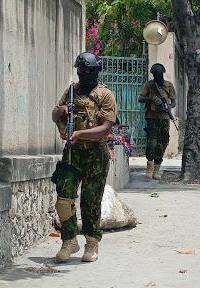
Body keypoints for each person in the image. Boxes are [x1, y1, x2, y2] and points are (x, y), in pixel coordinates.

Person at [51, 52, 116, 263]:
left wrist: (79, 134)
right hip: (73, 153)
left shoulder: (105, 95)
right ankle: (69, 240)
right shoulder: (71, 91)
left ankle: (91, 242)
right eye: (81, 70)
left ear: (96, 71)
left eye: (88, 71)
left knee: (90, 201)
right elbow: (54, 115)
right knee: (64, 197)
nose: (84, 74)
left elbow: (105, 129)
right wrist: (61, 110)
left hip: (96, 154)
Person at [138, 63, 176, 180]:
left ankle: (156, 169)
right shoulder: (149, 85)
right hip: (152, 117)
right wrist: (151, 99)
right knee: (151, 143)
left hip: (164, 118)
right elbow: (140, 98)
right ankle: (149, 167)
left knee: (163, 143)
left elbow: (174, 102)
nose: (157, 76)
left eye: (159, 74)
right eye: (155, 74)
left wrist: (168, 106)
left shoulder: (168, 85)